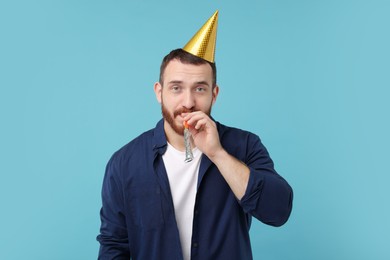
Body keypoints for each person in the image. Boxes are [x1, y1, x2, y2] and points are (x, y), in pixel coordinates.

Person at [97, 11, 293, 260]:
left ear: (214, 94)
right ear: (159, 92)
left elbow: (278, 211)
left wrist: (218, 154)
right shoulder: (124, 163)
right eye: (176, 88)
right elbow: (114, 246)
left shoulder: (244, 146)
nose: (188, 102)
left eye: (200, 88)